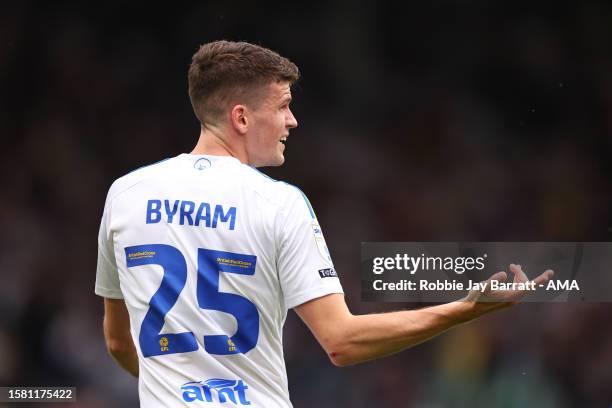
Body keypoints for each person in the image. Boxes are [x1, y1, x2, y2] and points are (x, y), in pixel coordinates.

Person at [95, 40, 553, 407]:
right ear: (240, 117)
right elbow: (341, 341)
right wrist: (465, 310)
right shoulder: (278, 202)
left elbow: (119, 341)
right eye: (283, 106)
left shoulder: (125, 194)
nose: (292, 121)